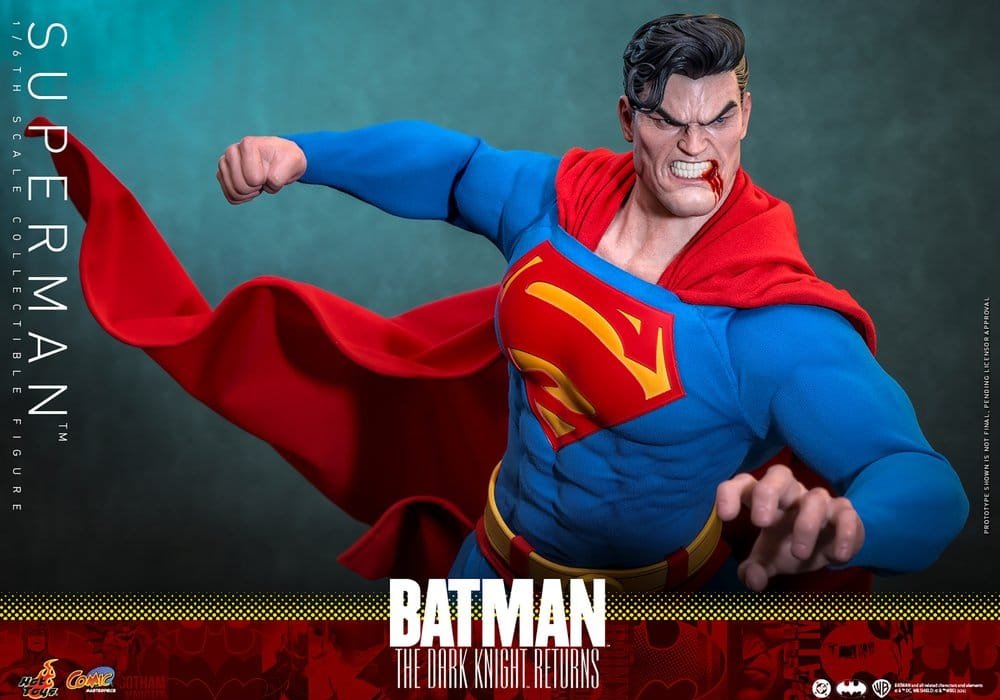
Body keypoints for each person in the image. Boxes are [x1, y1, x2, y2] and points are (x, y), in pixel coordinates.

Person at [212, 13, 968, 591]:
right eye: (668, 119)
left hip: (656, 618)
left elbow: (919, 477)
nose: (695, 146)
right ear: (629, 118)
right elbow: (455, 168)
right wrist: (305, 154)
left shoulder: (770, 325)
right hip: (491, 576)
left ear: (746, 114)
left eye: (718, 117)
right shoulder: (555, 206)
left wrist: (853, 525)